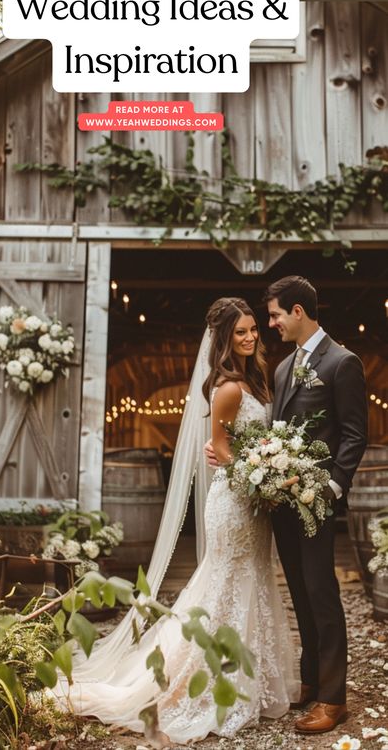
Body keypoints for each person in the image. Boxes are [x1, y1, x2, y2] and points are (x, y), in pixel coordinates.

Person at [50, 297, 298, 744]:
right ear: (223, 339)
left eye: (252, 330)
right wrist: (260, 478)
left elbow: (246, 442)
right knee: (224, 585)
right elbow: (219, 447)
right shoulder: (227, 387)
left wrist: (269, 470)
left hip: (254, 500)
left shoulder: (255, 381)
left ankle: (247, 681)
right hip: (236, 501)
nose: (249, 337)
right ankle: (195, 683)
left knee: (252, 581)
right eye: (239, 332)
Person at [263, 276, 368, 734]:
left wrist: (330, 487)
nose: (272, 324)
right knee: (301, 594)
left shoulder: (343, 362)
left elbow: (353, 434)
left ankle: (333, 698)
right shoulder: (284, 368)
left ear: (299, 311)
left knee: (322, 593)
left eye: (275, 314)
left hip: (318, 501)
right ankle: (310, 681)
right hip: (283, 504)